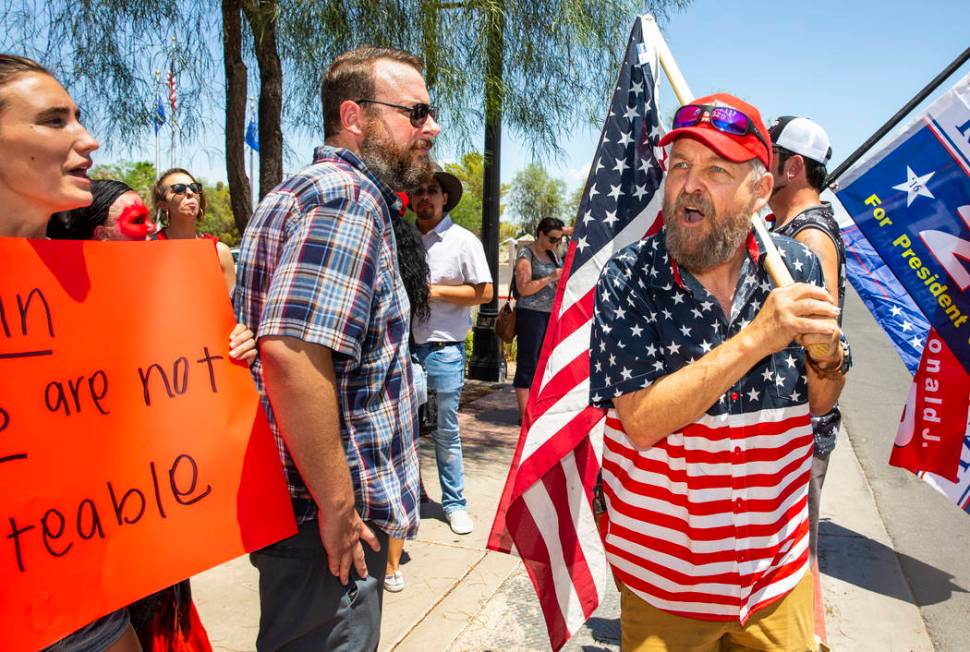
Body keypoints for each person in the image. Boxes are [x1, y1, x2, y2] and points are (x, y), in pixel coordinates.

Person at [589, 94, 851, 652]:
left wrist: (827, 356)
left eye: (716, 170)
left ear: (760, 189)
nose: (690, 184)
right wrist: (758, 337)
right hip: (667, 590)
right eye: (680, 165)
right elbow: (639, 421)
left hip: (775, 582)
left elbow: (821, 403)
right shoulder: (629, 276)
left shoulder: (797, 266)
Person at [233, 46, 438, 651]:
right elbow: (293, 353)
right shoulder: (346, 198)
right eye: (416, 112)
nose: (430, 127)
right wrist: (339, 507)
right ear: (355, 115)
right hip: (322, 525)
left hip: (299, 511)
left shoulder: (304, 192)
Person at [49, 181, 257, 652]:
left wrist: (234, 346)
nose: (150, 233)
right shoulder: (52, 311)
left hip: (151, 516)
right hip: (83, 533)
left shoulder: (165, 295)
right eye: (137, 222)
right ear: (99, 236)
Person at [0, 53, 140, 652]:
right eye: (54, 120)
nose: (88, 139)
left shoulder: (97, 285)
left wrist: (214, 358)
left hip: (91, 595)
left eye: (78, 117)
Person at [767, 116, 845, 564]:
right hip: (785, 422)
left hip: (800, 428)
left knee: (793, 561)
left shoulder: (810, 236)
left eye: (769, 158)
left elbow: (821, 340)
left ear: (793, 167)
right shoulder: (787, 226)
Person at [407, 165, 493, 537]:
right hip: (405, 350)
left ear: (445, 198)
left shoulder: (463, 241)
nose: (425, 196)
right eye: (420, 190)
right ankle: (414, 497)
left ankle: (455, 504)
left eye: (432, 191)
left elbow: (485, 292)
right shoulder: (403, 238)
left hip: (444, 350)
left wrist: (435, 291)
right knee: (405, 433)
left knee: (445, 432)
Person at [383, 191, 431, 593]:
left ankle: (391, 564)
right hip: (404, 368)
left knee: (397, 461)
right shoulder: (406, 245)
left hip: (397, 369)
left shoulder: (388, 244)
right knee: (400, 462)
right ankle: (392, 565)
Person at [151, 168, 236, 292]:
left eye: (195, 188)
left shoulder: (220, 252)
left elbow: (229, 307)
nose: (190, 192)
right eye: (179, 189)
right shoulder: (150, 247)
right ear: (162, 204)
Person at [513, 217, 564, 418]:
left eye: (559, 240)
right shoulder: (526, 253)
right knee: (528, 363)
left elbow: (568, 230)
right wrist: (551, 278)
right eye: (552, 239)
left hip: (550, 315)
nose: (556, 243)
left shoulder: (552, 254)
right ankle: (526, 415)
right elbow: (523, 288)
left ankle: (539, 410)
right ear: (540, 233)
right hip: (531, 315)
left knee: (546, 364)